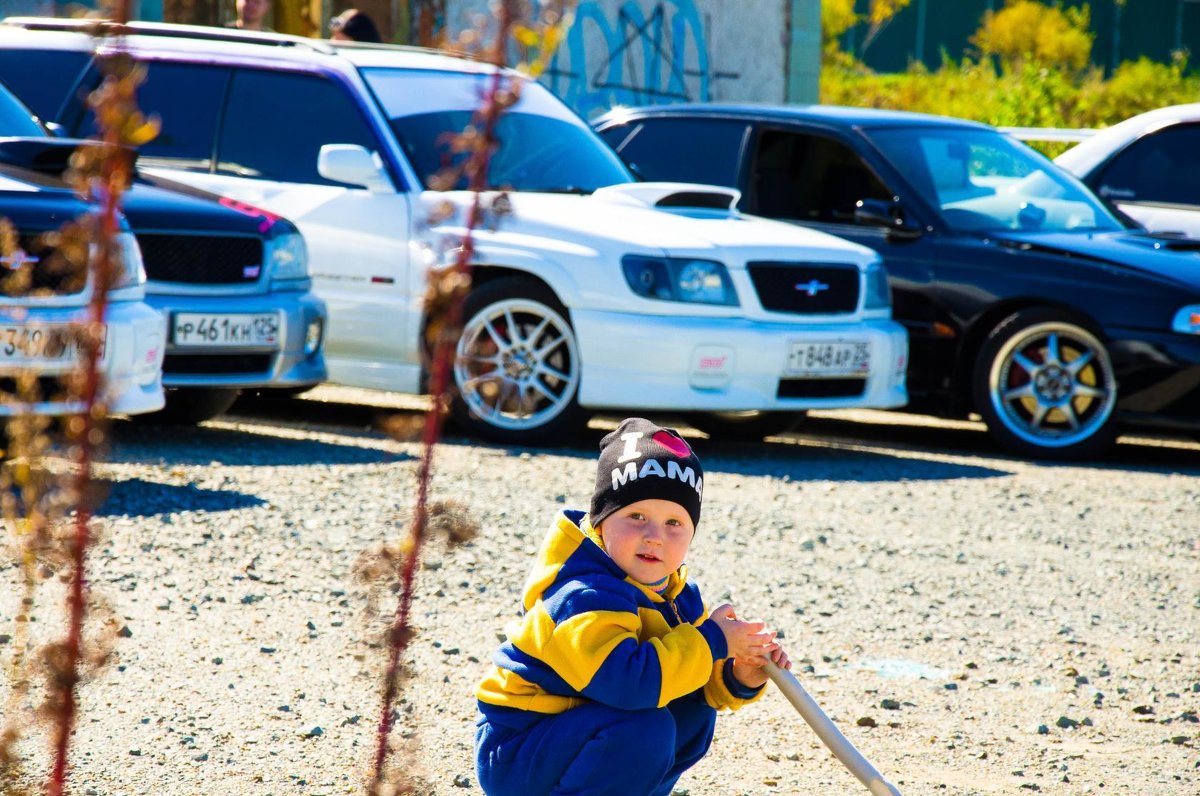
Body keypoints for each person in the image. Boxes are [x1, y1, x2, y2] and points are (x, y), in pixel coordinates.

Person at [474, 417, 791, 796]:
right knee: (645, 727)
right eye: (636, 516)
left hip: (577, 728)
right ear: (602, 521)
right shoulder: (583, 595)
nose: (654, 537)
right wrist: (711, 642)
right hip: (521, 747)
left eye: (674, 522)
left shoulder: (677, 596)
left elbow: (691, 673)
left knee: (692, 711)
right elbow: (627, 683)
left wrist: (740, 673)